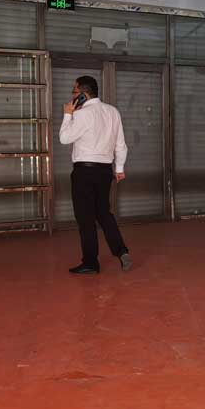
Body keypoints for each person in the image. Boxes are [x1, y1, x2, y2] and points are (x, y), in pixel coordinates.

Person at [59, 75, 133, 275]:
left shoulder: (82, 114)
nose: (72, 95)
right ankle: (121, 251)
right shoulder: (113, 112)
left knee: (85, 218)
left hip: (84, 171)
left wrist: (67, 114)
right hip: (105, 171)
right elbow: (121, 144)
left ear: (83, 94)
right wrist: (119, 168)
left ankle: (91, 262)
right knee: (104, 213)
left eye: (74, 91)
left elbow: (64, 138)